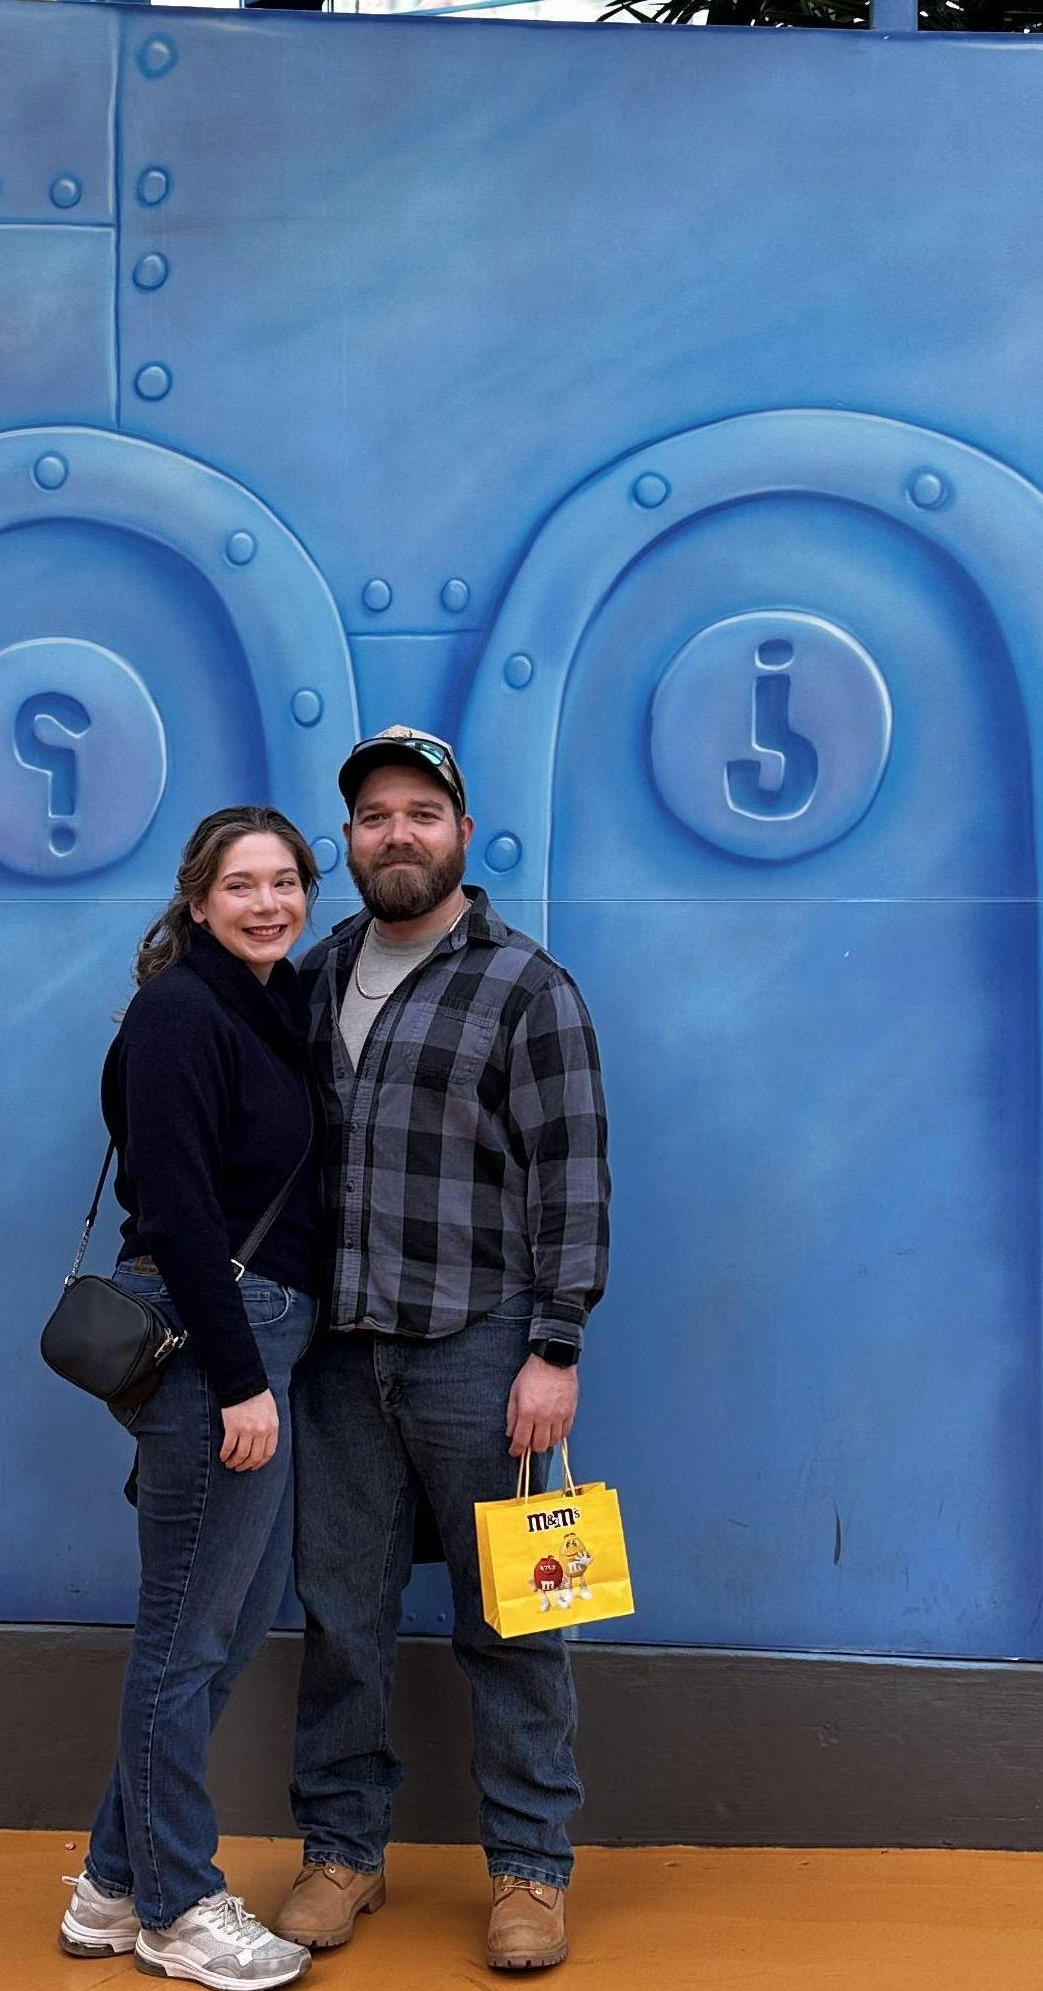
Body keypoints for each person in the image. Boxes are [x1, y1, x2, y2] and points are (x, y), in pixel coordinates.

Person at [274, 728, 609, 1977]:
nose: (396, 833)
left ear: (463, 835)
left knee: (515, 1616)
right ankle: (340, 1851)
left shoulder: (525, 986)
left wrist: (553, 1349)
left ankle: (529, 1871)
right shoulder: (313, 975)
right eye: (374, 816)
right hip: (336, 1359)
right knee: (339, 1616)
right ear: (347, 841)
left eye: (421, 813)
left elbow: (572, 1177)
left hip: (481, 1348)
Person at [59, 808, 329, 1989]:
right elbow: (175, 1213)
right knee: (184, 1638)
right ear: (198, 898)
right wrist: (237, 1383)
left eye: (284, 882)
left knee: (224, 1627)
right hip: (220, 1344)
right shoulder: (180, 1013)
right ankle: (176, 1907)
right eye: (240, 885)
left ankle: (111, 1885)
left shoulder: (272, 1005)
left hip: (264, 1335)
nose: (266, 904)